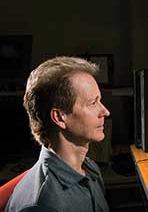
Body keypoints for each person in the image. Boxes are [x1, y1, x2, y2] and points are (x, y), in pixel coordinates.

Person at [6, 57, 110, 212]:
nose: (105, 112)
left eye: (99, 101)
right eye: (92, 103)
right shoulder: (42, 204)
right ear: (59, 117)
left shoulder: (89, 168)